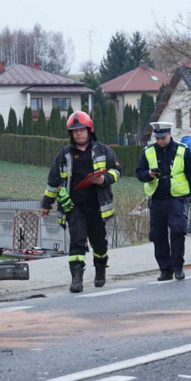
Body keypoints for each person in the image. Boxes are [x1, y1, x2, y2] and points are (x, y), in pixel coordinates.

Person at [41, 111, 121, 293]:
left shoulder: (103, 150)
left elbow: (118, 171)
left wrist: (104, 179)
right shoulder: (64, 155)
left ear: (89, 130)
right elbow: (53, 182)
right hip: (74, 207)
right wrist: (46, 204)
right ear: (71, 134)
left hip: (97, 206)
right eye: (74, 131)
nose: (78, 134)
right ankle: (76, 278)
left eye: (81, 130)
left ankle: (100, 269)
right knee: (77, 241)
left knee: (99, 243)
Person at [136, 122, 191, 281]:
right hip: (157, 199)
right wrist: (149, 175)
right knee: (158, 235)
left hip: (176, 198)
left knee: (178, 231)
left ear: (169, 134)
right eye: (157, 138)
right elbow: (139, 173)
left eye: (162, 137)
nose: (160, 141)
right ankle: (165, 270)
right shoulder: (148, 152)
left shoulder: (181, 150)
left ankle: (178, 266)